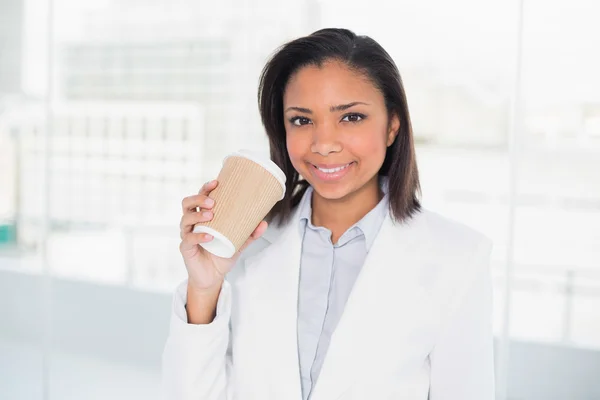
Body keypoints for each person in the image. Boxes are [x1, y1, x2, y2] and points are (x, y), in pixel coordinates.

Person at [162, 28, 494, 400]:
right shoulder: (247, 240)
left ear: (392, 126)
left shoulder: (459, 258)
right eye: (302, 121)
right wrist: (205, 287)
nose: (324, 144)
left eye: (351, 117)